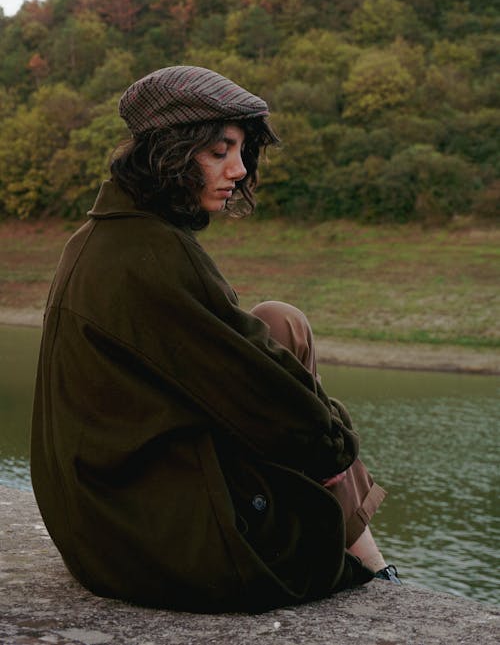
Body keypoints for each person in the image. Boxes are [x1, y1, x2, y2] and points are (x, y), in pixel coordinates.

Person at [31, 65, 399, 614]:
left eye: (243, 151)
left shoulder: (103, 237)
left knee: (278, 321)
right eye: (220, 151)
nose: (239, 169)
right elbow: (299, 425)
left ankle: (371, 560)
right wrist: (339, 435)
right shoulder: (154, 255)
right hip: (158, 543)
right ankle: (376, 568)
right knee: (297, 388)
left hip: (102, 530)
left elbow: (248, 364)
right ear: (171, 154)